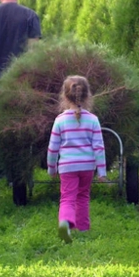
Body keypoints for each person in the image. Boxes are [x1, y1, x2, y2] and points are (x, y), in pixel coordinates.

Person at [47, 75, 107, 244]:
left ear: (65, 97)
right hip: (87, 166)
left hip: (67, 167)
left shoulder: (60, 121)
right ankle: (83, 228)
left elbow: (53, 148)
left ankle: (65, 224)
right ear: (88, 95)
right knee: (83, 196)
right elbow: (99, 147)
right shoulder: (93, 120)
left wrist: (51, 168)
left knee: (67, 198)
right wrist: (101, 171)